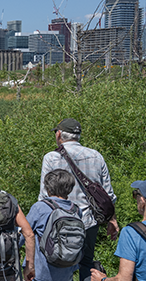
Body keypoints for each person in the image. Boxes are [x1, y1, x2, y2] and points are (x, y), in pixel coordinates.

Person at [40, 118, 118, 281]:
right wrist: (112, 219)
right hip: (89, 223)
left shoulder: (51, 158)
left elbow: (44, 196)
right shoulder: (96, 156)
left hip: (59, 222)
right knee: (86, 263)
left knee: (57, 262)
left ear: (59, 134)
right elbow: (108, 195)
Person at [27, 170, 81, 281]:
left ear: (48, 188)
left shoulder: (40, 207)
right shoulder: (75, 210)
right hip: (67, 272)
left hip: (42, 273)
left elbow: (25, 234)